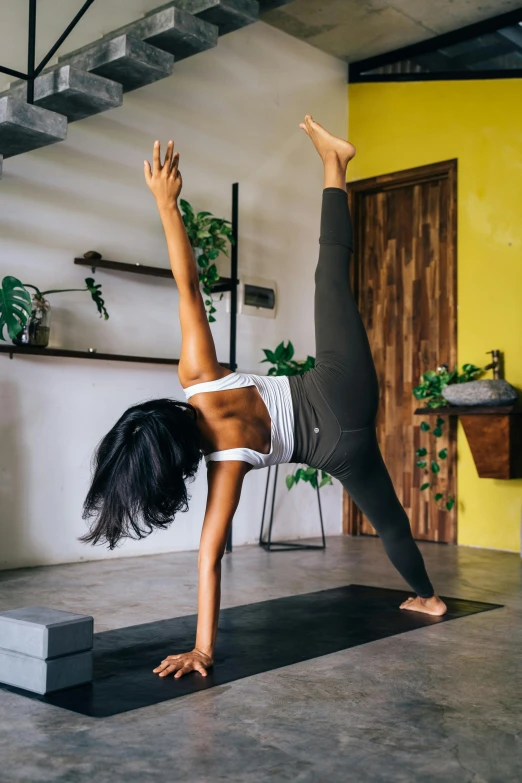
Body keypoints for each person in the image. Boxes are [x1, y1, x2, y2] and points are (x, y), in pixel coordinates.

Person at [82, 116, 447, 681]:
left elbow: (209, 559)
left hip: (339, 449)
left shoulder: (224, 466)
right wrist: (166, 204)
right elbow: (188, 285)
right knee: (330, 275)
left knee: (392, 523)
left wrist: (202, 650)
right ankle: (335, 163)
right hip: (338, 382)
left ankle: (428, 596)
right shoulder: (198, 375)